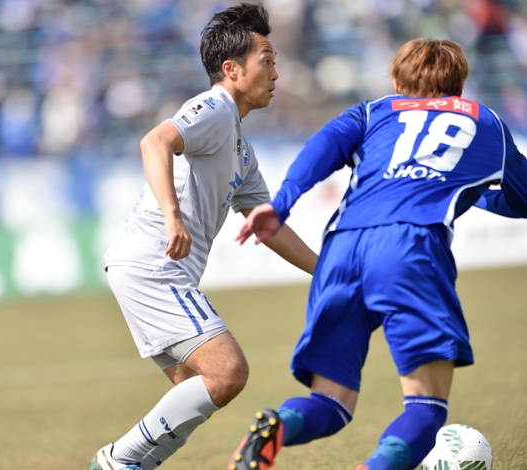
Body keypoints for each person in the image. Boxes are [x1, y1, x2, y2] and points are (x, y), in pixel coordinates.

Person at [228, 38, 527, 470]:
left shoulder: (373, 111)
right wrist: (470, 191)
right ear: (460, 84)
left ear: (397, 82)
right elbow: (522, 198)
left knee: (330, 403)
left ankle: (277, 425)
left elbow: (323, 145)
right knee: (426, 407)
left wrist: (281, 204)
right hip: (410, 247)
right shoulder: (487, 123)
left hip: (342, 247)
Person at [89, 3, 318, 470]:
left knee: (193, 391)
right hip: (155, 264)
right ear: (231, 69)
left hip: (147, 267)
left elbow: (267, 224)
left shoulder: (240, 148)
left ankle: (129, 465)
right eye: (266, 61)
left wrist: (328, 270)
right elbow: (154, 141)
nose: (275, 73)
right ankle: (117, 460)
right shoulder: (214, 107)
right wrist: (172, 217)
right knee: (227, 371)